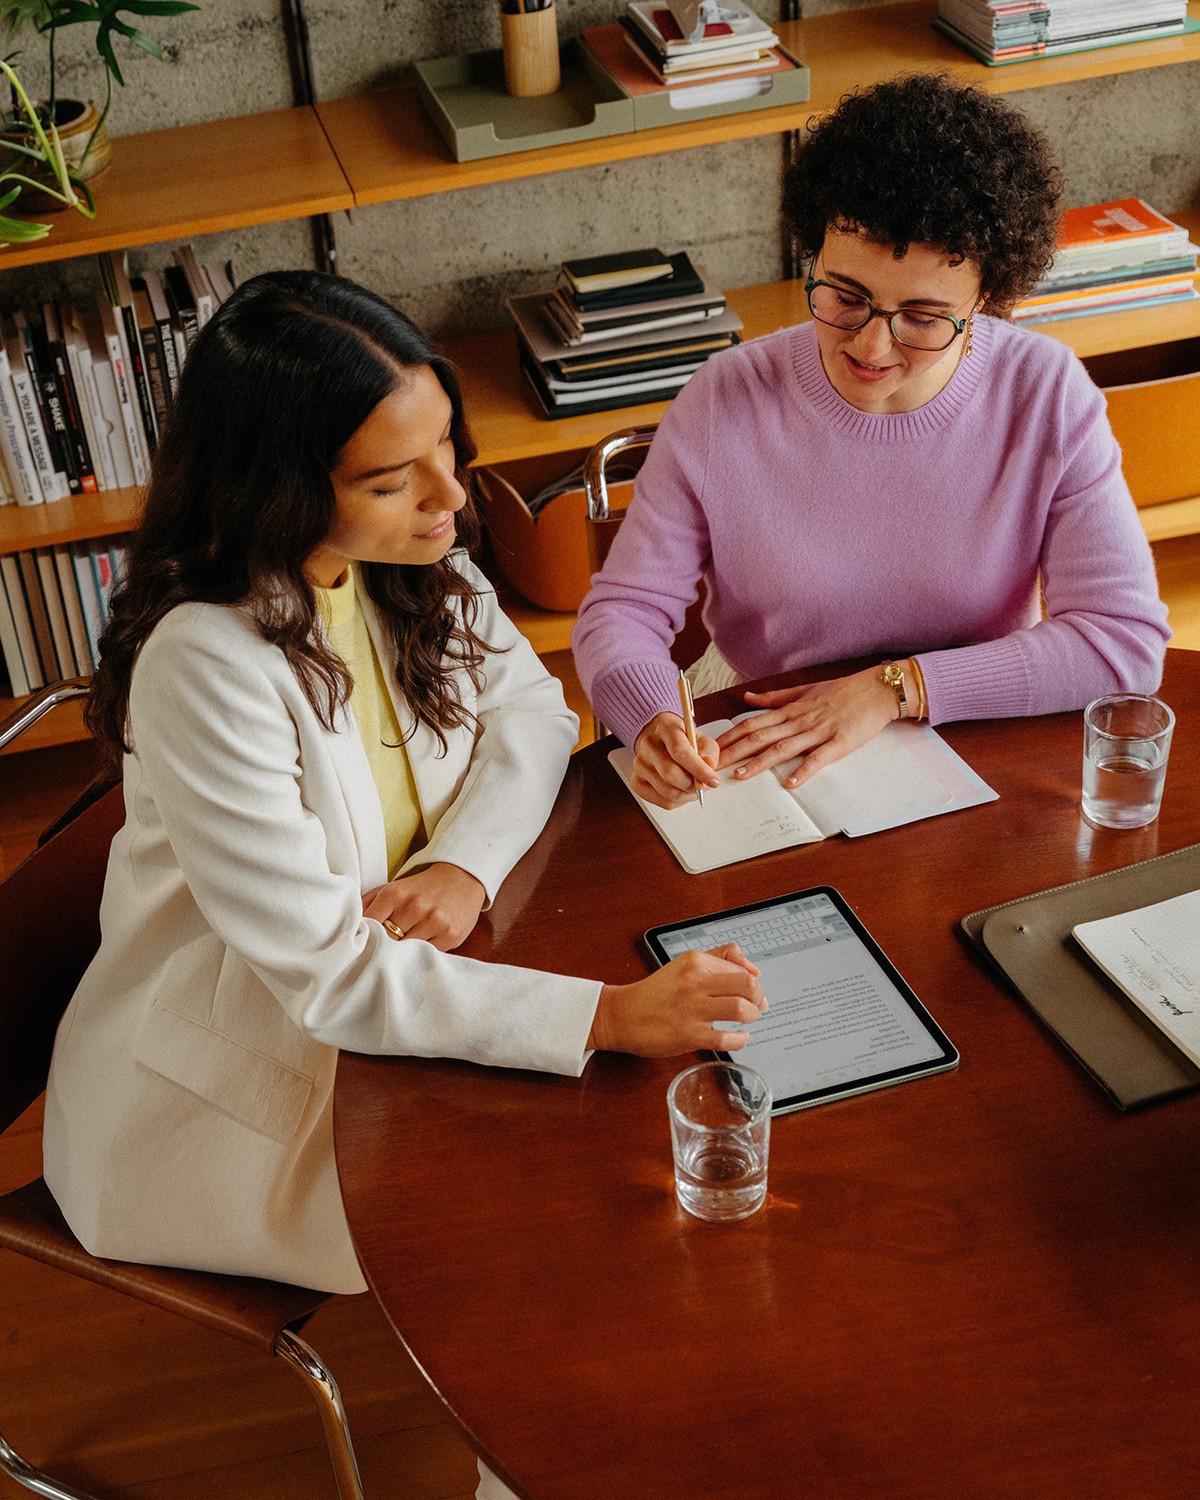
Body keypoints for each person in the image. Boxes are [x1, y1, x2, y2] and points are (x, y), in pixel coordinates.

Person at [42, 272, 766, 1313]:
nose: (451, 498)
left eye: (446, 450)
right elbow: (334, 978)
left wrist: (464, 865)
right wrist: (604, 1016)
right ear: (280, 487)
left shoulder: (403, 553)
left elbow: (531, 713)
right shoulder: (205, 663)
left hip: (433, 959)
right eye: (393, 479)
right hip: (246, 1079)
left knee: (636, 1148)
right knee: (586, 1207)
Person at [571, 74, 1171, 809]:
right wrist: (652, 719)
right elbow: (624, 612)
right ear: (813, 252)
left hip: (975, 717)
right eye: (844, 297)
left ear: (987, 299)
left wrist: (898, 687)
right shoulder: (725, 398)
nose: (871, 344)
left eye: (921, 316)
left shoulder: (1043, 393)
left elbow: (1123, 643)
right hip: (763, 718)